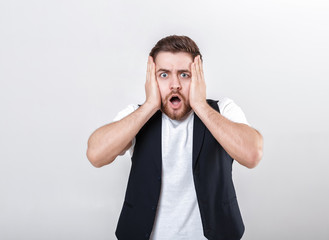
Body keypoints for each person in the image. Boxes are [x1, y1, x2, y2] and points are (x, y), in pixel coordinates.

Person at [86, 35, 263, 240]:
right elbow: (95, 154)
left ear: (199, 77)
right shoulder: (136, 116)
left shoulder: (223, 110)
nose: (175, 84)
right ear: (152, 78)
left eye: (184, 75)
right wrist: (150, 105)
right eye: (164, 75)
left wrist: (200, 105)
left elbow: (252, 154)